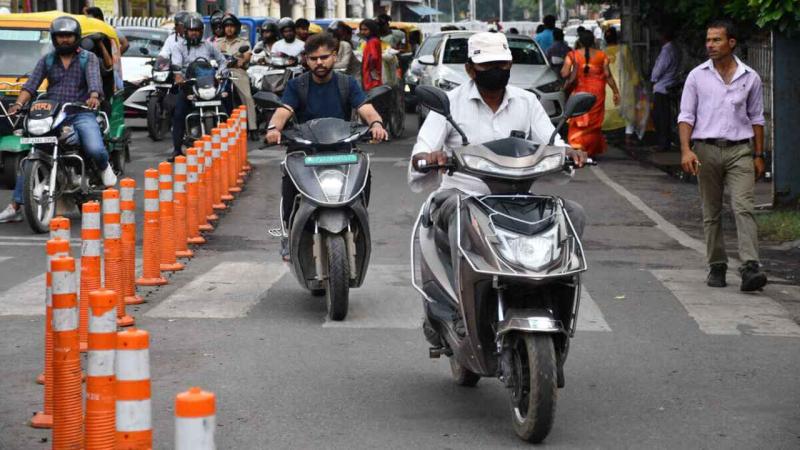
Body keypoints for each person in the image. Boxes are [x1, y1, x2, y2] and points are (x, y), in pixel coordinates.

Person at [408, 32, 587, 342]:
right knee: (460, 217)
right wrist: (430, 157)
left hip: (518, 197)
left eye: (502, 65)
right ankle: (455, 307)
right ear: (470, 69)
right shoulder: (449, 104)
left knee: (572, 214)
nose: (496, 71)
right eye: (487, 65)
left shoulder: (527, 102)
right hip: (463, 196)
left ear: (510, 65)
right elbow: (422, 151)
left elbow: (553, 143)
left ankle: (555, 294)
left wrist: (569, 153)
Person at [264, 33, 388, 259]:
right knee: (289, 183)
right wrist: (274, 129)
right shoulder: (297, 85)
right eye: (313, 58)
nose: (319, 63)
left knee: (364, 172)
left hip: (341, 151)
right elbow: (283, 111)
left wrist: (376, 124)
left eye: (324, 57)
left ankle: (358, 221)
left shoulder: (347, 83)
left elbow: (366, 109)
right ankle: (288, 233)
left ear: (334, 56)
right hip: (305, 152)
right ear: (306, 60)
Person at [678, 20, 767, 291]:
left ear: (731, 43)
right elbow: (686, 116)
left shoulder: (750, 77)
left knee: (744, 207)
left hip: (740, 150)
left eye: (716, 40)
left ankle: (750, 266)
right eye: (708, 40)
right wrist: (686, 150)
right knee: (711, 210)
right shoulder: (697, 76)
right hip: (705, 149)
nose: (710, 45)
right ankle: (717, 265)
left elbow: (757, 118)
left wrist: (759, 155)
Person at [8, 16, 117, 191]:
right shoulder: (47, 60)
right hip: (53, 115)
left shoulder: (88, 58)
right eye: (60, 36)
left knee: (95, 149)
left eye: (68, 36)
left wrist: (94, 96)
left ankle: (104, 167)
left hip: (81, 112)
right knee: (35, 152)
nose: (64, 39)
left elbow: (94, 81)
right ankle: (17, 202)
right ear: (54, 38)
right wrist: (18, 104)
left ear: (76, 37)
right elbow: (30, 85)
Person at [168, 15, 227, 160]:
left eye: (197, 30)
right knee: (178, 113)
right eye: (191, 30)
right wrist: (178, 76)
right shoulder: (178, 47)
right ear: (186, 32)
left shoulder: (208, 45)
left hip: (208, 84)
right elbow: (176, 65)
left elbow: (222, 61)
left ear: (201, 32)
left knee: (225, 110)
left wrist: (220, 74)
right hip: (189, 85)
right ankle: (177, 149)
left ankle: (228, 144)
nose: (194, 33)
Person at [560, 29, 620, 157]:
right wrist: (615, 91)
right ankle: (590, 150)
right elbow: (608, 75)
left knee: (578, 119)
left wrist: (574, 71)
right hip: (597, 93)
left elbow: (564, 73)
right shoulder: (602, 56)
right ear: (593, 41)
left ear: (580, 42)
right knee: (594, 123)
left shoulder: (572, 55)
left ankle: (578, 146)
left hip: (579, 92)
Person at [214, 14, 257, 138]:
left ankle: (253, 128)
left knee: (247, 97)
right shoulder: (218, 42)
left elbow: (247, 55)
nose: (229, 28)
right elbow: (212, 56)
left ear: (236, 28)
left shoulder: (243, 42)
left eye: (232, 26)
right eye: (226, 26)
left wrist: (242, 61)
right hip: (221, 72)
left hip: (237, 71)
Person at [651, 27, 681, 151]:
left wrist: (653, 78)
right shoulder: (673, 49)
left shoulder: (667, 50)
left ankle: (663, 143)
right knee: (663, 116)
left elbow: (658, 70)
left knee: (661, 117)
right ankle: (664, 142)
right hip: (667, 85)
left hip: (662, 87)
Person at [359, 19, 383, 91]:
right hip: (371, 75)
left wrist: (371, 69)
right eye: (361, 29)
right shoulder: (373, 41)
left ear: (372, 30)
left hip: (370, 78)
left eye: (365, 29)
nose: (362, 32)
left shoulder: (372, 41)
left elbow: (374, 57)